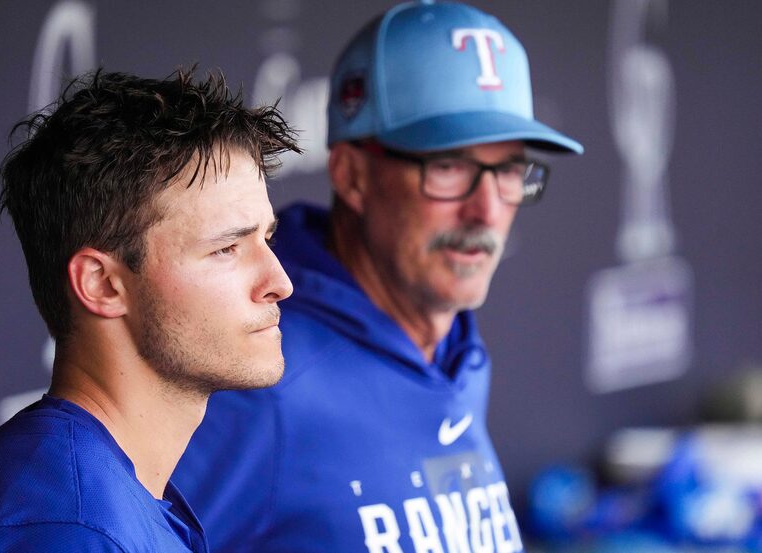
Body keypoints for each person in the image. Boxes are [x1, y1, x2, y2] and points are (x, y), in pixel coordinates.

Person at [175, 1, 583, 552]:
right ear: (352, 174)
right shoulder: (254, 373)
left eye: (509, 170)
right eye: (448, 167)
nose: (486, 211)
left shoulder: (453, 346)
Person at [0, 68, 298, 552]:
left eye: (266, 239)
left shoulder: (97, 497)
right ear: (102, 284)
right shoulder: (65, 530)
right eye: (226, 249)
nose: (280, 284)